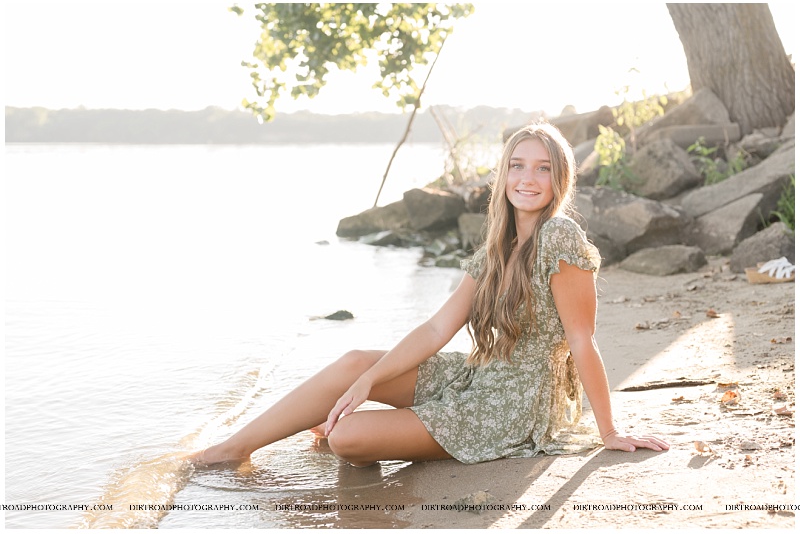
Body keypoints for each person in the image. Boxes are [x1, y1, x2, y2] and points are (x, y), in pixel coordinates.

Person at [191, 122, 669, 467]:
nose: (528, 178)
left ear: (559, 179)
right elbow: (439, 327)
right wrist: (367, 383)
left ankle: (374, 426)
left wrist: (609, 431)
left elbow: (582, 340)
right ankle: (234, 447)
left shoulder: (559, 236)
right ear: (502, 176)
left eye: (543, 169)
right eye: (517, 166)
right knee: (355, 362)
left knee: (346, 438)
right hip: (478, 375)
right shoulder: (497, 247)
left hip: (517, 402)